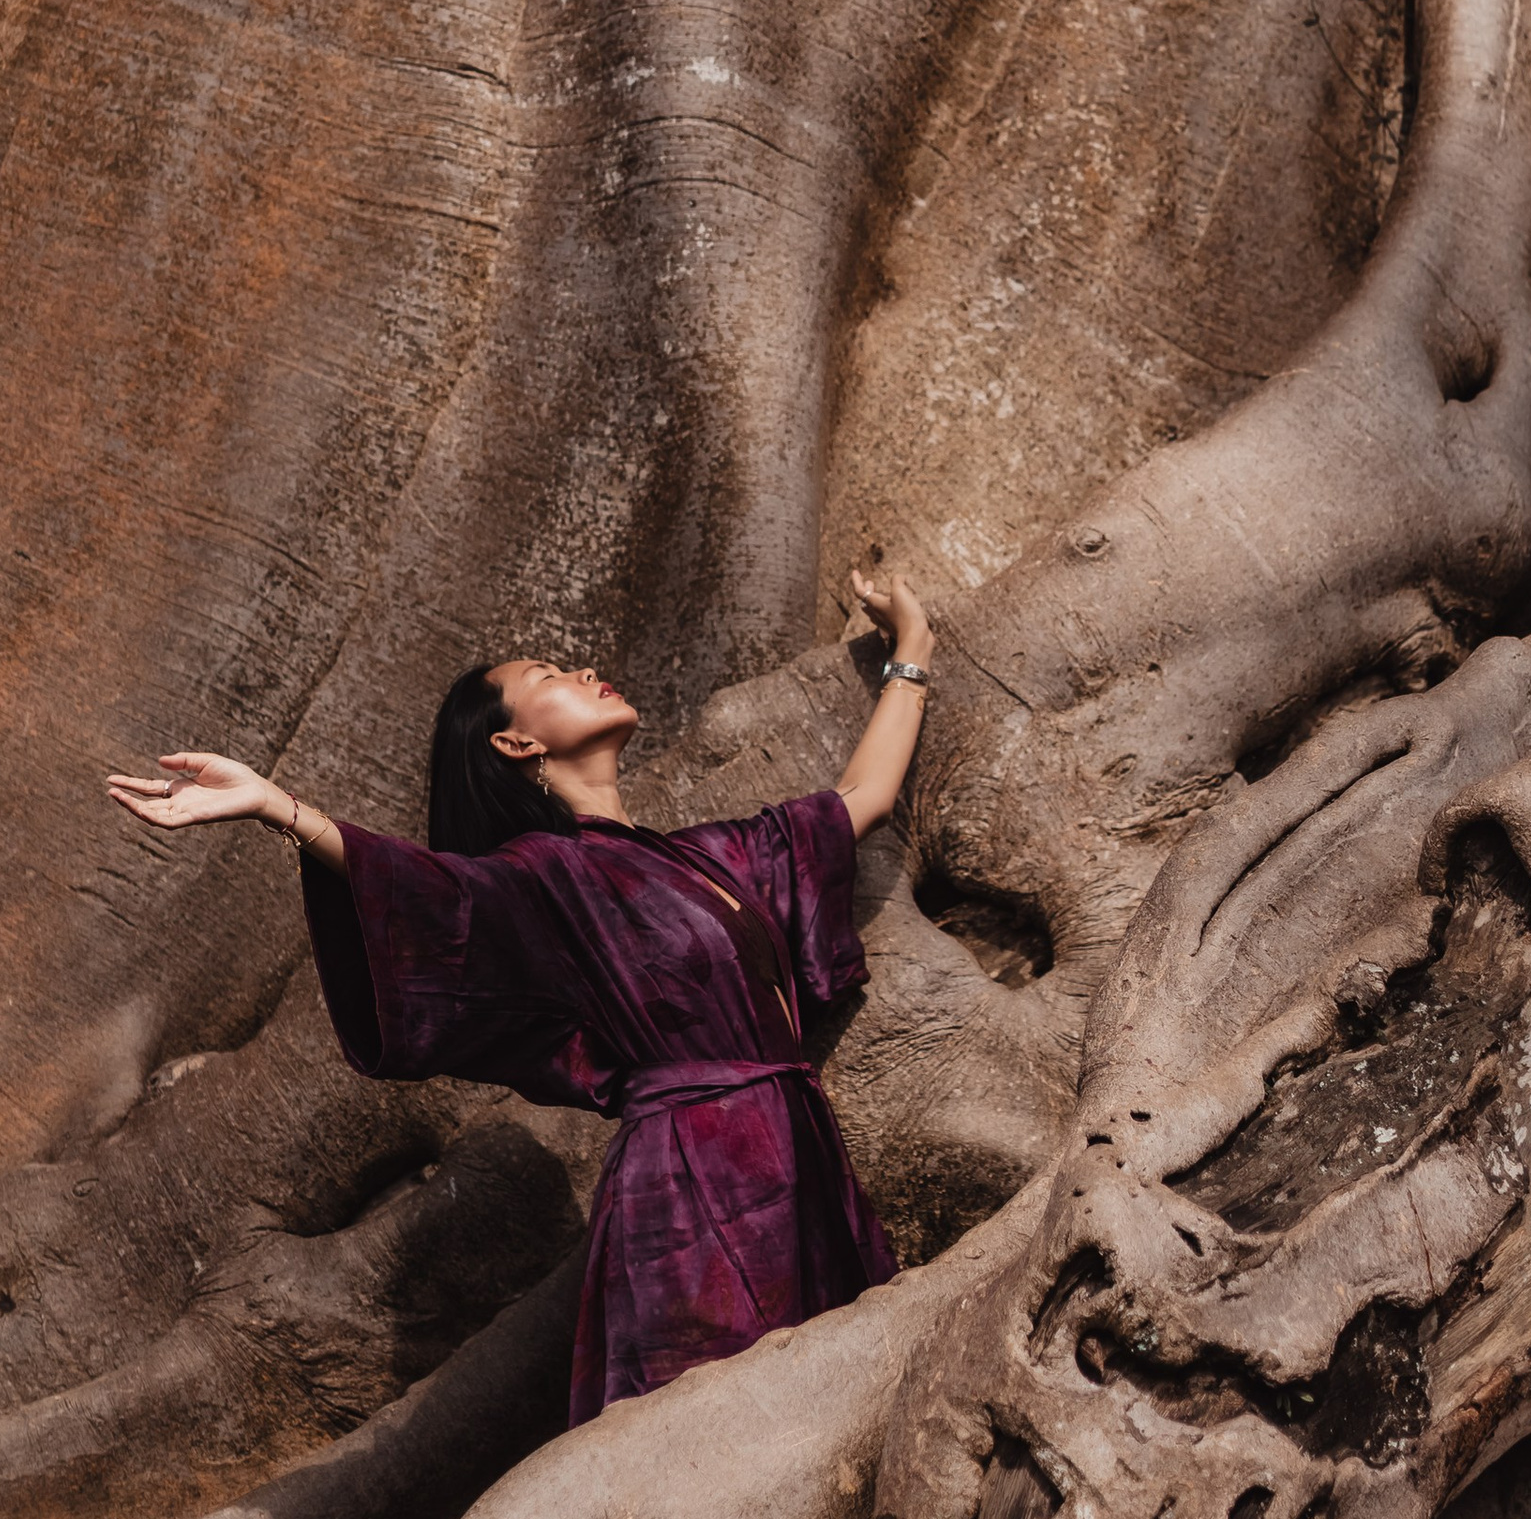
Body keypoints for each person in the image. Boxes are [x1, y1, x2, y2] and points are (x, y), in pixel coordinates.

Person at [107, 567, 934, 1420]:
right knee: (722, 1430)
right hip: (691, 1187)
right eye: (550, 677)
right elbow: (430, 892)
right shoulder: (540, 879)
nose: (583, 673)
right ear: (515, 746)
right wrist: (280, 808)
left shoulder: (713, 856)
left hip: (800, 1157)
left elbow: (857, 800)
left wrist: (913, 645)